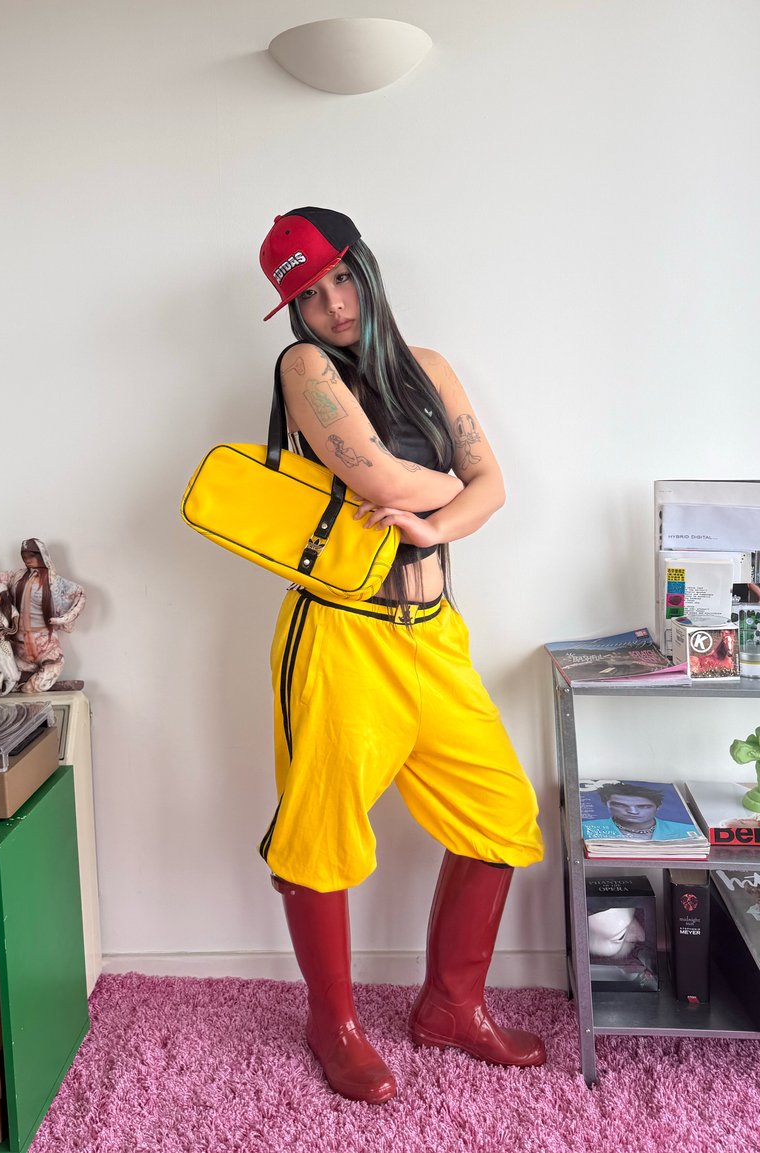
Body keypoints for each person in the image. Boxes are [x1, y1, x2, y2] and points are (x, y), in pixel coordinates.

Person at [255, 207, 545, 1104]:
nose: (334, 306)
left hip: (435, 631)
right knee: (321, 830)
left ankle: (450, 1007)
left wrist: (438, 518)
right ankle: (332, 1024)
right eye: (309, 295)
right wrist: (455, 492)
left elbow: (500, 486)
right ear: (293, 312)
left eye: (342, 279)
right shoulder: (303, 368)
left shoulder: (431, 367)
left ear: (367, 271)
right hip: (342, 632)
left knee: (501, 810)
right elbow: (378, 472)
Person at [0, 539, 86, 693]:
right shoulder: (16, 576)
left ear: (42, 555)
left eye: (32, 554)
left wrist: (64, 618)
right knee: (3, 669)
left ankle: (26, 685)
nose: (27, 559)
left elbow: (79, 594)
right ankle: (17, 682)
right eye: (24, 555)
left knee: (55, 664)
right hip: (18, 644)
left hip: (45, 642)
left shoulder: (54, 581)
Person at [583, 783, 696, 842]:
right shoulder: (585, 828)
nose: (632, 812)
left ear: (658, 807)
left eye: (643, 806)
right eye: (620, 805)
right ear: (606, 804)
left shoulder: (685, 830)